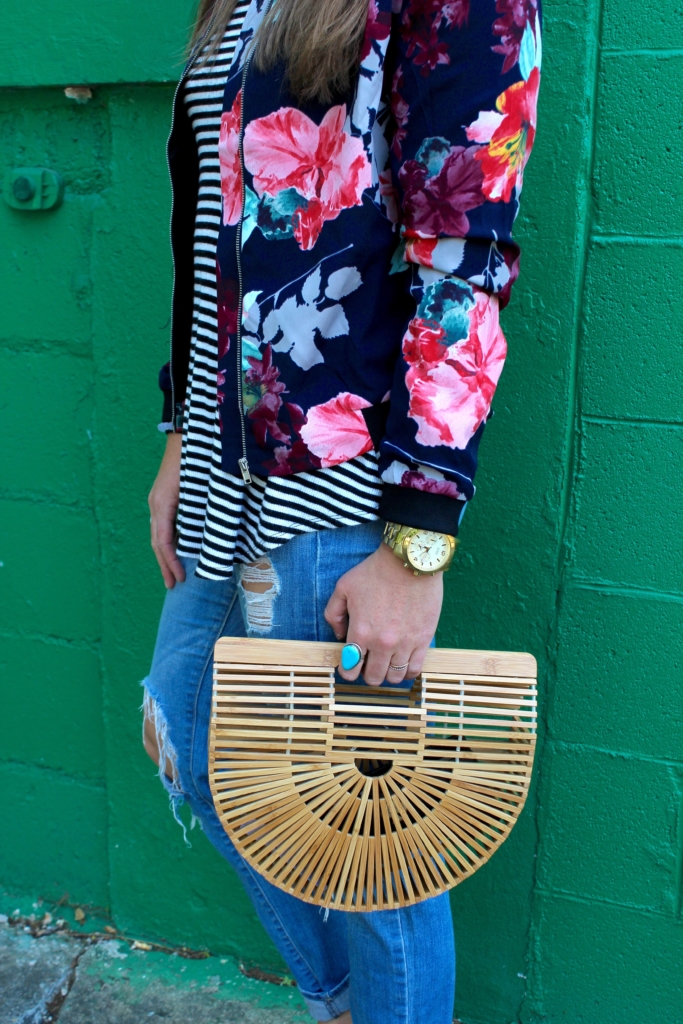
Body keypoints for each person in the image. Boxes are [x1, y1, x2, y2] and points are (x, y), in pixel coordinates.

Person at [143, 1, 542, 1021]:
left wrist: (416, 547)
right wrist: (180, 437)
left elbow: (464, 264)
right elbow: (208, 242)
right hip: (223, 470)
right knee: (189, 743)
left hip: (345, 488)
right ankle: (344, 1003)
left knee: (377, 851)